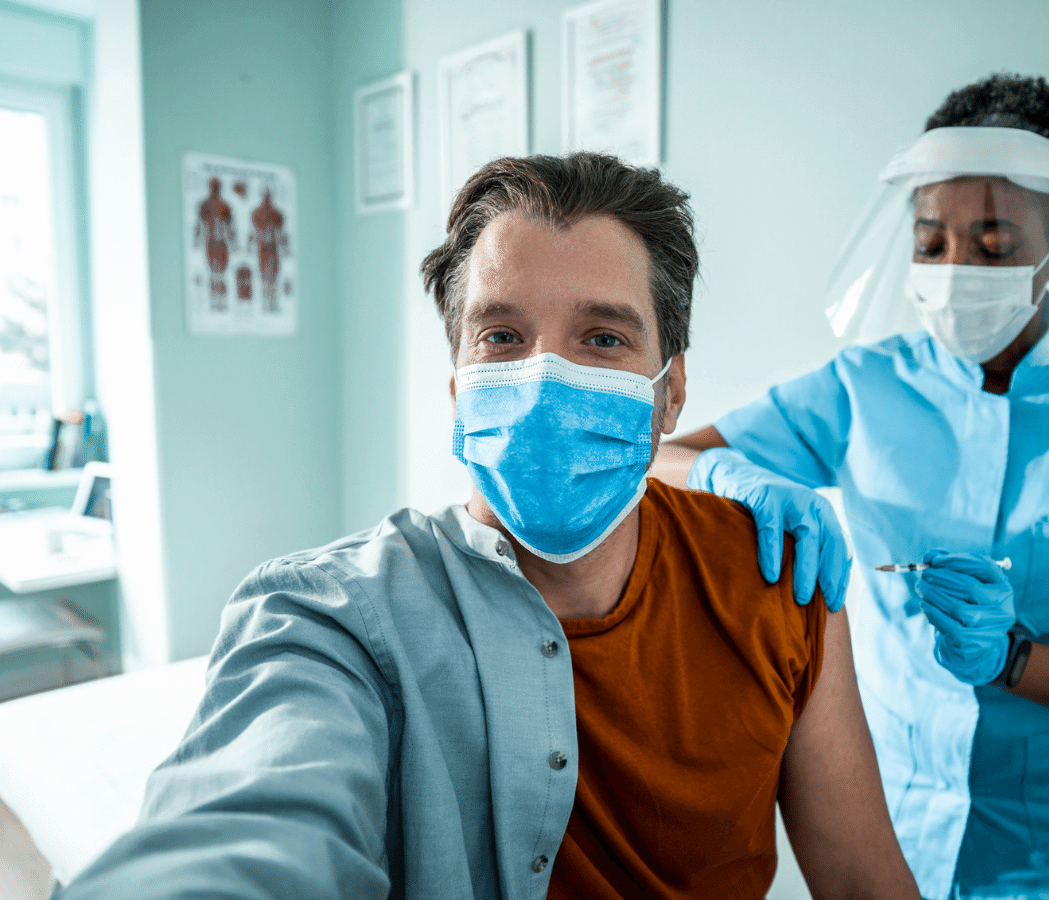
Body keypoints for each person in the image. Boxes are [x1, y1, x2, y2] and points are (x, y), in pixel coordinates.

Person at [58, 152, 918, 900]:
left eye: (604, 338)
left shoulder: (776, 581)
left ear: (673, 391)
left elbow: (864, 883)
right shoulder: (333, 620)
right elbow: (248, 830)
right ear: (457, 387)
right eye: (502, 335)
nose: (547, 376)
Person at [655, 74, 1049, 900]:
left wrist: (1008, 657)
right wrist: (732, 475)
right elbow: (662, 457)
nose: (954, 272)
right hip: (893, 816)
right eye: (930, 242)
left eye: (992, 246)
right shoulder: (866, 384)